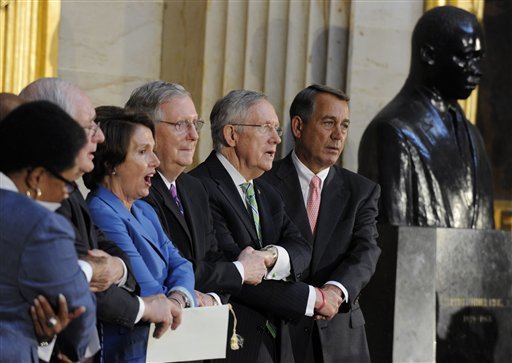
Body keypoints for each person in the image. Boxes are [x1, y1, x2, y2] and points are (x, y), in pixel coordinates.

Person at [20, 78, 179, 358]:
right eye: (89, 126)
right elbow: (68, 282)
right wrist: (139, 304)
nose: (100, 136)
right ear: (55, 128)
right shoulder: (34, 196)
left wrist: (116, 267)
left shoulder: (70, 190)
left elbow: (110, 252)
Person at [190, 90, 339, 362]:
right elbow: (235, 273)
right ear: (232, 135)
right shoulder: (199, 187)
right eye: (265, 128)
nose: (277, 139)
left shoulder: (266, 191)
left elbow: (302, 247)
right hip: (229, 344)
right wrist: (312, 299)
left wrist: (272, 255)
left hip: (276, 346)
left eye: (277, 128)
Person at [262, 84, 381, 363]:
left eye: (345, 125)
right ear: (298, 126)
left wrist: (336, 290)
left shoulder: (362, 191)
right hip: (279, 336)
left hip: (340, 338)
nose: (338, 135)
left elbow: (366, 251)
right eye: (329, 123)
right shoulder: (263, 182)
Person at [125, 81, 268, 305]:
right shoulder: (137, 190)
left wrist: (213, 298)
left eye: (195, 123)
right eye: (180, 124)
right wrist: (239, 270)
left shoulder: (194, 188)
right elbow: (166, 266)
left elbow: (213, 257)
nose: (193, 135)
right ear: (146, 129)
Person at [358, 6, 494, 229]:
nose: (477, 70)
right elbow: (394, 239)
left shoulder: (473, 135)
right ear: (428, 55)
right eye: (466, 58)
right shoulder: (393, 132)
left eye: (480, 58)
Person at [84, 110, 195, 362]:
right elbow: (144, 286)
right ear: (111, 163)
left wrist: (178, 298)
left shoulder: (144, 209)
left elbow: (182, 264)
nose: (155, 161)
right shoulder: (101, 212)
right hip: (129, 351)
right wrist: (178, 300)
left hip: (164, 344)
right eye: (143, 151)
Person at [0, 101, 96, 362]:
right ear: (38, 178)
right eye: (68, 182)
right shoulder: (41, 225)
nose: (67, 194)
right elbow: (79, 311)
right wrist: (66, 347)